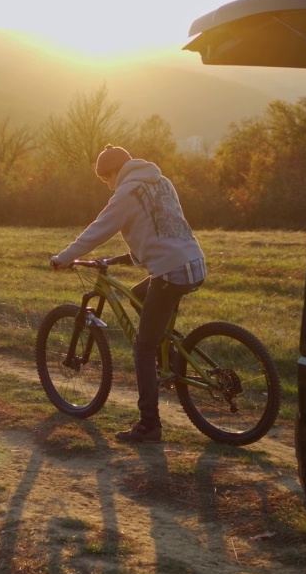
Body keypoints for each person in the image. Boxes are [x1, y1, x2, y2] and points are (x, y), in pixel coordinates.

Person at [51, 144, 206, 443]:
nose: (108, 185)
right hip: (194, 263)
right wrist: (126, 257)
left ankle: (149, 426)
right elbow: (164, 228)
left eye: (106, 179)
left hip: (171, 272)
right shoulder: (162, 181)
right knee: (139, 292)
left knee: (142, 348)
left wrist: (65, 257)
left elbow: (97, 231)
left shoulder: (124, 193)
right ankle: (172, 360)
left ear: (113, 172)